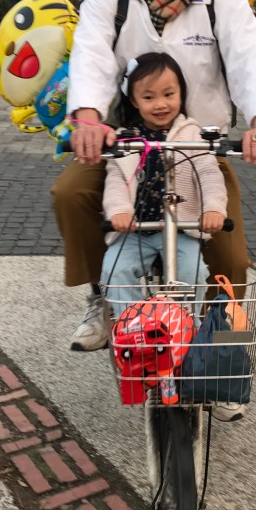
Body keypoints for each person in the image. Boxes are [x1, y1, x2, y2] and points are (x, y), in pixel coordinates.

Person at [52, 0, 256, 372]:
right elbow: (91, 58)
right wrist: (89, 118)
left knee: (230, 258)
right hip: (125, 148)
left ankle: (225, 361)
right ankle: (102, 295)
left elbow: (249, 59)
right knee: (70, 193)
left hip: (198, 148)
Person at [102, 52, 227, 319]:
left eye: (169, 94)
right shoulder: (127, 139)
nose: (160, 104)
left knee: (192, 272)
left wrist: (213, 208)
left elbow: (208, 173)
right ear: (134, 100)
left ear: (181, 93)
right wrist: (119, 211)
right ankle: (133, 327)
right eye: (149, 97)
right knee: (115, 271)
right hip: (135, 230)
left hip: (180, 229)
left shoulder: (192, 134)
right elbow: (116, 179)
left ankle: (185, 326)